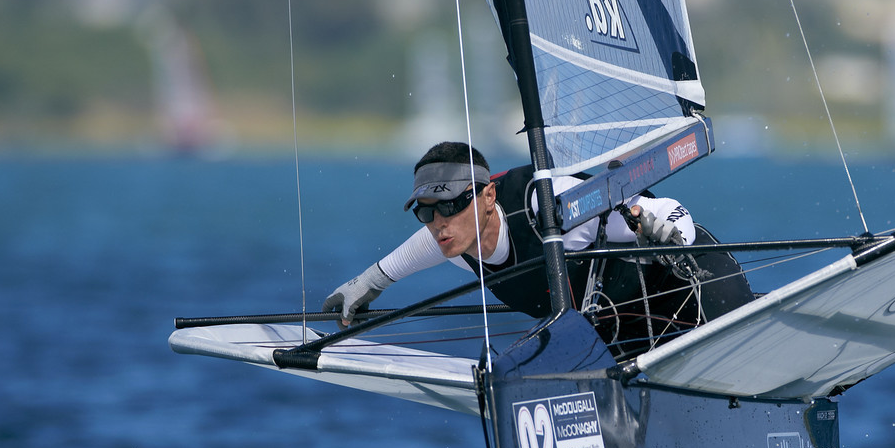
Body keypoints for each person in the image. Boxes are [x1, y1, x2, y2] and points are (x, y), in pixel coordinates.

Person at [322, 141, 752, 357]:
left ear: (488, 196)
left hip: (697, 289)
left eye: (452, 205)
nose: (440, 223)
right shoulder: (453, 236)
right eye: (427, 212)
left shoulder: (548, 205)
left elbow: (671, 210)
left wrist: (665, 230)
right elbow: (420, 248)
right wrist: (371, 281)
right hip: (629, 331)